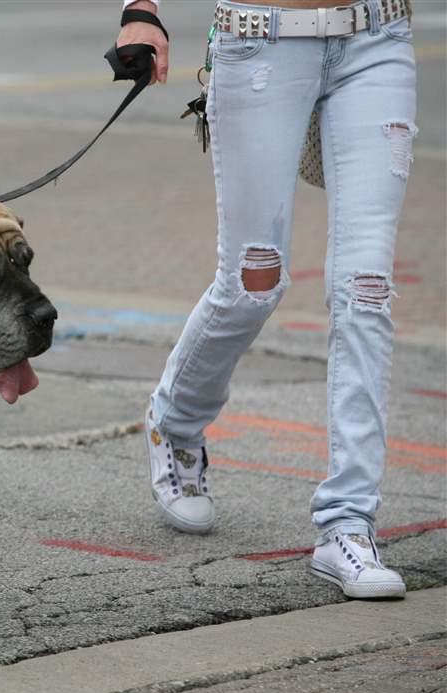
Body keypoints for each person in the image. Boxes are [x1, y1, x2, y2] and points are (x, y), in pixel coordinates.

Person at [116, 0, 416, 599]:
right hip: (261, 43)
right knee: (253, 283)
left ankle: (347, 524)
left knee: (367, 290)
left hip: (378, 39)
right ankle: (174, 422)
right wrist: (140, 10)